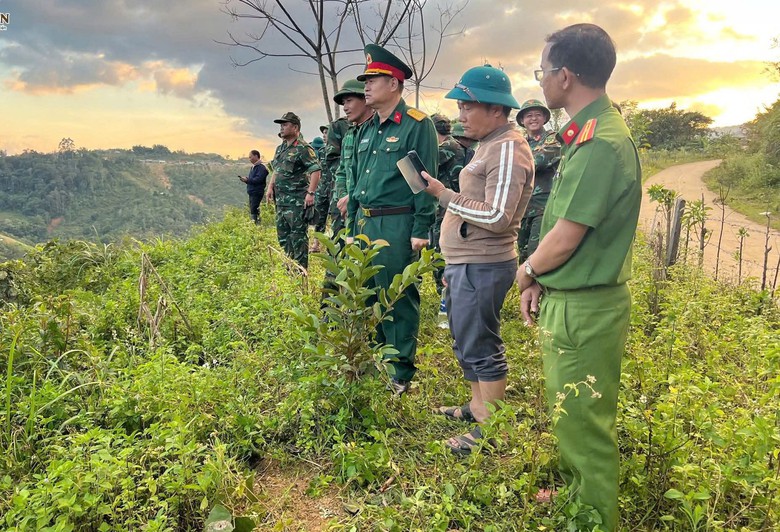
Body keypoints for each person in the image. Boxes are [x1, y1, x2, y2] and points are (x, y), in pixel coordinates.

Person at [515, 24, 642, 531]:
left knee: (585, 423)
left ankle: (594, 519)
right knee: (569, 411)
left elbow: (566, 235)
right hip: (573, 296)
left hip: (587, 307)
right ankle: (576, 497)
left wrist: (526, 271)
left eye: (543, 71)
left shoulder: (598, 142)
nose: (541, 80)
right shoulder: (586, 133)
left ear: (565, 76)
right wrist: (544, 281)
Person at [419, 65, 534, 454]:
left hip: (484, 263)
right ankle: (476, 404)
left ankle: (490, 425)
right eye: (461, 106)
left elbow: (498, 216)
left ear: (497, 109)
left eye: (469, 106)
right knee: (464, 337)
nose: (461, 114)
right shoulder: (489, 144)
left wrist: (445, 196)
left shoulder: (508, 148)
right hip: (465, 262)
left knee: (481, 342)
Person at [347, 43, 438, 396]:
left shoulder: (416, 125)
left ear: (395, 84)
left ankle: (399, 371)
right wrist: (353, 225)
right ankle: (377, 358)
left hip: (397, 223)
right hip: (366, 223)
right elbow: (356, 183)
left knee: (397, 294)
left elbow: (422, 181)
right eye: (366, 80)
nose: (366, 86)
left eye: (374, 79)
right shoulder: (367, 129)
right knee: (368, 293)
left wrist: (420, 230)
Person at [266, 112, 321, 270]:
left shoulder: (303, 148)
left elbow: (316, 170)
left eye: (285, 124)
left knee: (298, 238)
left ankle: (301, 272)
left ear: (295, 127)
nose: (282, 128)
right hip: (281, 202)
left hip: (296, 201)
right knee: (283, 237)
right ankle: (289, 268)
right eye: (281, 125)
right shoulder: (280, 148)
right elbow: (277, 169)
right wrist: (270, 187)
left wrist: (310, 193)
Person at [515, 99, 561, 262]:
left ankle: (540, 287)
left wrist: (514, 165)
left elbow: (539, 161)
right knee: (523, 253)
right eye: (529, 115)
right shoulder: (520, 143)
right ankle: (526, 287)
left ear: (544, 119)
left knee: (537, 255)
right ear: (522, 120)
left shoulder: (553, 138)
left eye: (537, 115)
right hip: (523, 209)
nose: (533, 119)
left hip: (544, 207)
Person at [429, 114, 468, 306]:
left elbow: (425, 166)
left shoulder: (448, 147)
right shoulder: (453, 145)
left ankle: (446, 298)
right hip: (447, 206)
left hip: (447, 208)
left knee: (440, 251)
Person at [239, 149, 269, 225]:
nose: (249, 159)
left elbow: (258, 180)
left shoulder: (261, 168)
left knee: (254, 209)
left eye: (250, 157)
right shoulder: (254, 167)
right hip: (252, 192)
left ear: (256, 156)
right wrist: (246, 180)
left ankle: (256, 225)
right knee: (253, 209)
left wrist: (247, 180)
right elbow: (252, 180)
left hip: (257, 192)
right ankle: (255, 224)